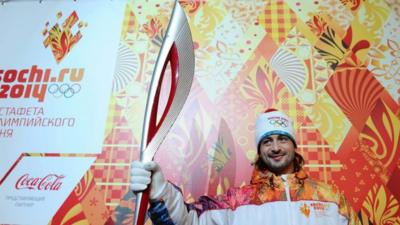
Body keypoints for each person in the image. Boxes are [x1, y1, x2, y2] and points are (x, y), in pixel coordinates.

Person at [130, 109, 361, 225]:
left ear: (293, 145)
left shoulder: (331, 198)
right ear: (260, 150)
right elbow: (189, 221)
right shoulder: (237, 202)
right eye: (267, 141)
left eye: (282, 139)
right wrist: (160, 192)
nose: (275, 147)